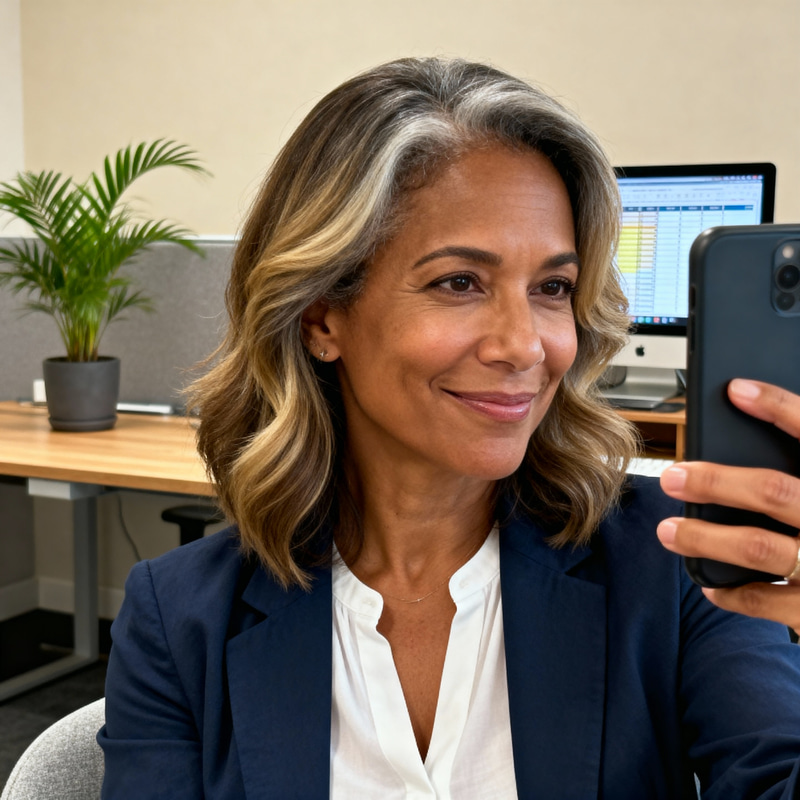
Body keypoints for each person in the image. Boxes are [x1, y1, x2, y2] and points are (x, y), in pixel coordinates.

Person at [98, 57, 800, 798]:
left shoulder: (676, 560)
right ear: (321, 317)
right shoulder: (179, 619)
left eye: (552, 287)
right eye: (459, 282)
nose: (524, 346)